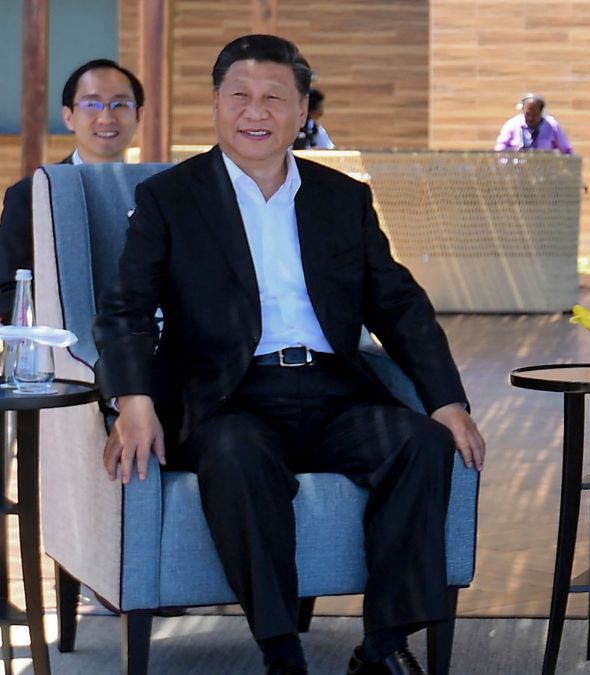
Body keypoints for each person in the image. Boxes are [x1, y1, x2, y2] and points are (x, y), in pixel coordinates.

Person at [94, 35, 485, 675]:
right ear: (217, 106)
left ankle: (383, 646)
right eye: (239, 96)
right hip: (228, 398)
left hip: (334, 391)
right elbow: (125, 307)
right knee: (239, 459)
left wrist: (447, 402)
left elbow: (398, 306)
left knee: (423, 445)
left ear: (302, 110)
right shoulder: (171, 198)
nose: (256, 112)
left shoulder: (342, 198)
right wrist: (132, 401)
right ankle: (281, 651)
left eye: (275, 98)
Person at [0, 58, 144, 319]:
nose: (106, 117)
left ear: (139, 115)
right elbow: (8, 291)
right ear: (68, 116)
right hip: (58, 346)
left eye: (120, 104)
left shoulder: (158, 191)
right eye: (92, 104)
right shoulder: (31, 194)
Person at [494, 93, 573, 154]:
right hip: (517, 169)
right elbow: (500, 148)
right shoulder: (512, 125)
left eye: (534, 115)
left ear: (541, 112)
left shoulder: (552, 126)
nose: (530, 118)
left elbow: (566, 150)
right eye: (528, 114)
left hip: (544, 169)